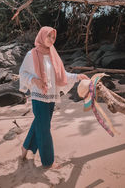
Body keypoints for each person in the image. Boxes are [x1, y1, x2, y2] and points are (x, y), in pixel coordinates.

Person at [19, 26, 89, 168]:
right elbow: (23, 72)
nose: (51, 39)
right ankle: (48, 162)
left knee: (39, 123)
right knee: (44, 128)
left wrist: (77, 76)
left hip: (51, 97)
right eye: (48, 36)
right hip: (39, 96)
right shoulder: (31, 54)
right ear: (41, 36)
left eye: (53, 37)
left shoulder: (53, 55)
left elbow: (61, 75)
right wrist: (34, 80)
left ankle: (25, 147)